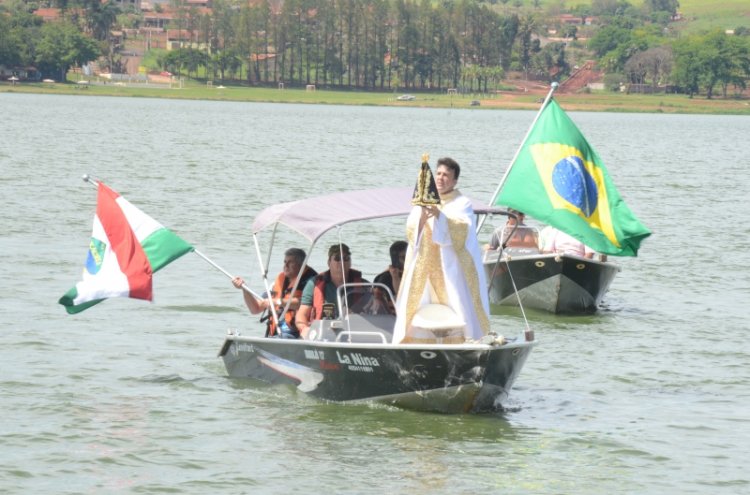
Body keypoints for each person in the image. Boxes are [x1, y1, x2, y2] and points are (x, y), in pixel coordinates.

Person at [394, 157, 490, 343]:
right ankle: (414, 341)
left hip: (449, 267)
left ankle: (462, 340)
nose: (440, 178)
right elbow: (412, 231)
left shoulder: (462, 203)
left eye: (446, 175)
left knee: (457, 303)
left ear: (454, 181)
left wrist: (439, 215)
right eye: (438, 173)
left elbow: (462, 230)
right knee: (418, 303)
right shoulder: (424, 199)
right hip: (424, 264)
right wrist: (422, 216)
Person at [232, 248, 317, 338]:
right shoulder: (279, 281)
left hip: (298, 333)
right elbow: (255, 308)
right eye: (285, 262)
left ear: (301, 264)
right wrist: (244, 289)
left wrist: (277, 302)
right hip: (278, 333)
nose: (286, 265)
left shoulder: (312, 281)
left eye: (290, 262)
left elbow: (304, 303)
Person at [295, 243, 368, 339]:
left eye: (346, 259)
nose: (342, 262)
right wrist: (304, 328)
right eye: (337, 259)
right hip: (323, 334)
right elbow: (302, 313)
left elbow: (374, 310)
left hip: (353, 333)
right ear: (329, 262)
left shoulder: (364, 285)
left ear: (350, 263)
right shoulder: (314, 284)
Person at [373, 240, 408, 309]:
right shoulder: (384, 278)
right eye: (404, 257)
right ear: (395, 259)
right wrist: (395, 277)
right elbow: (376, 304)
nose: (408, 259)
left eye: (410, 256)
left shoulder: (414, 274)